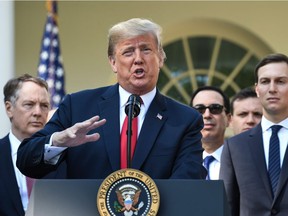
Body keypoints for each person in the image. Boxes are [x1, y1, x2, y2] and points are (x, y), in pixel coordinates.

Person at [16, 18, 206, 180]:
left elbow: (187, 184)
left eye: (146, 50)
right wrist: (58, 141)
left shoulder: (185, 120)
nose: (138, 59)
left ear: (161, 58)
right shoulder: (78, 107)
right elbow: (26, 160)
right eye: (128, 52)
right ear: (113, 62)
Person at [220, 53, 288, 215]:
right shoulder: (235, 147)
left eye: (281, 81)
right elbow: (228, 206)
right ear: (257, 89)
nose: (272, 88)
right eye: (265, 82)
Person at [0, 74, 55, 215]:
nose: (38, 112)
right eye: (29, 105)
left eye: (44, 106)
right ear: (9, 108)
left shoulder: (61, 156)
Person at [190, 86, 231, 180]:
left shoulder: (243, 161)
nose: (207, 115)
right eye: (199, 110)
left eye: (215, 108)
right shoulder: (177, 162)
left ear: (228, 119)